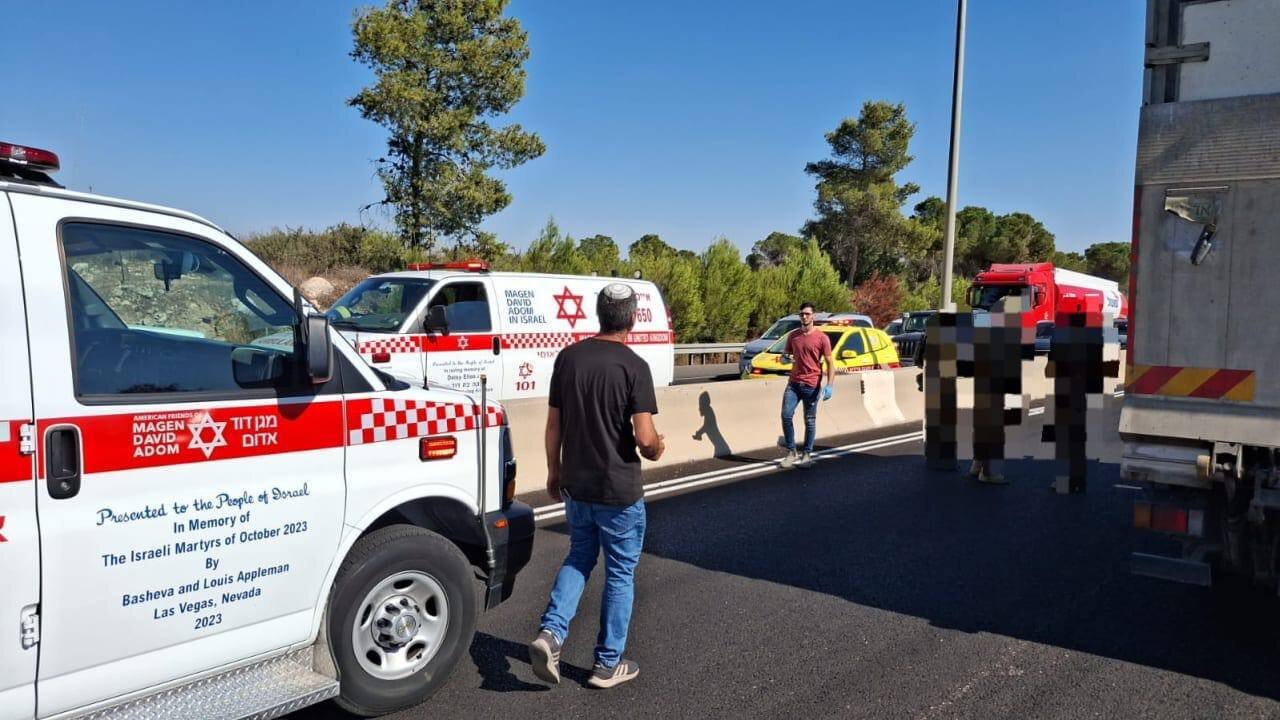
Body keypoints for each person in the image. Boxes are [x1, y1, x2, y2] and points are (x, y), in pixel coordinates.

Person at [529, 283, 665, 690]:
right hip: (617, 489)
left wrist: (554, 471)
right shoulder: (634, 366)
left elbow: (553, 425)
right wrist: (658, 448)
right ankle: (606, 665)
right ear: (633, 318)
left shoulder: (568, 358)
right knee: (620, 573)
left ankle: (551, 633)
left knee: (579, 556)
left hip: (577, 485)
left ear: (600, 315)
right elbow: (645, 439)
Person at [779, 302, 836, 469]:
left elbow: (830, 363)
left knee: (809, 420)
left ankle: (807, 454)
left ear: (813, 316)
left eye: (807, 314)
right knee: (786, 415)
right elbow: (785, 355)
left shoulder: (822, 338)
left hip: (812, 384)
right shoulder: (793, 336)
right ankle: (791, 452)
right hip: (794, 383)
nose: (804, 317)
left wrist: (830, 385)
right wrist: (784, 359)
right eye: (802, 314)